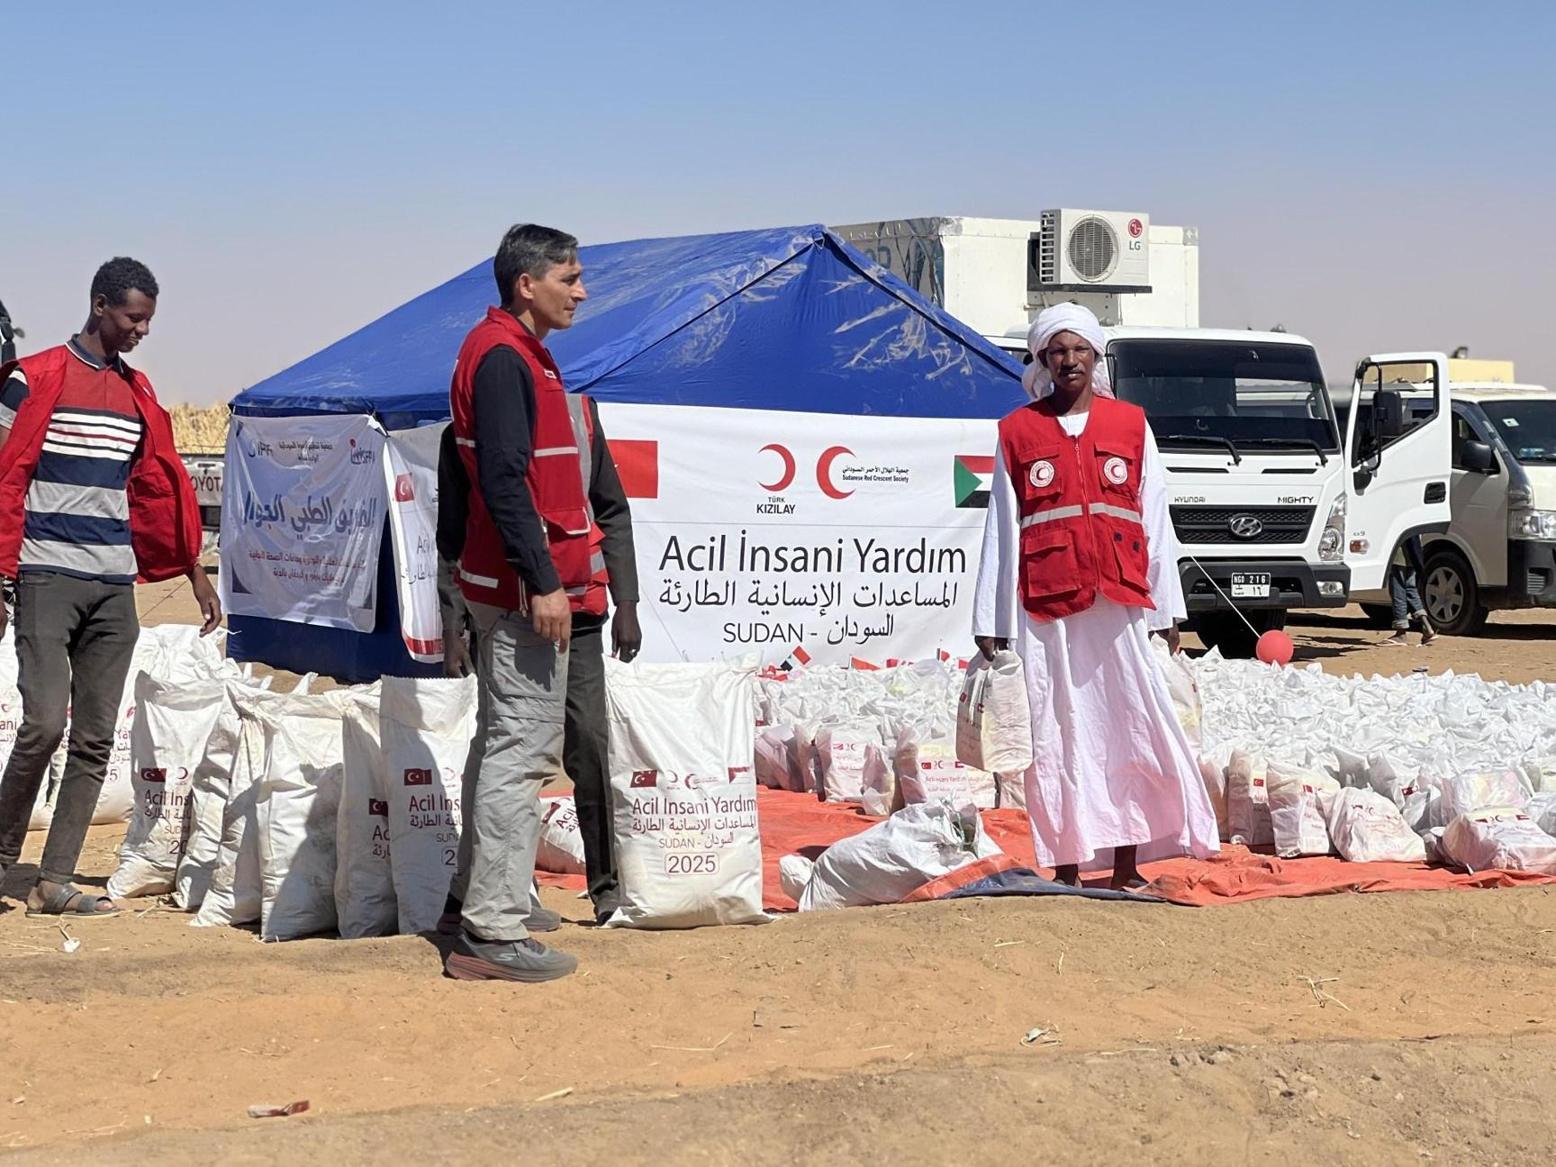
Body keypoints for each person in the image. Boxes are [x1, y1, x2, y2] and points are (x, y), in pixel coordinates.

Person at [442, 224, 640, 984]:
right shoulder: (500, 359)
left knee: (501, 744)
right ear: (527, 284)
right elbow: (501, 481)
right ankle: (491, 932)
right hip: (525, 593)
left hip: (509, 585)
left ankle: (480, 900)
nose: (582, 290)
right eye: (570, 276)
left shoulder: (517, 354)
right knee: (520, 755)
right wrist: (544, 581)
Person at [0, 258, 221, 916]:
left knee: (95, 737)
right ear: (100, 306)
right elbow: (3, 476)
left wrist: (192, 569)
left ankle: (54, 880)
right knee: (41, 722)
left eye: (148, 319)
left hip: (111, 590)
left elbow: (163, 487)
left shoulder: (138, 393)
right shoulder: (30, 379)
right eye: (133, 317)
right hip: (45, 579)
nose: (142, 330)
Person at [972, 303, 1218, 889]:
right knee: (1059, 736)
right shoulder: (1018, 431)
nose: (1069, 359)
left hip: (1120, 604)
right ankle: (1066, 866)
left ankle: (1128, 862)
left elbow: (1154, 519)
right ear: (1042, 361)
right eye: (1057, 350)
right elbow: (1001, 530)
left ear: (1095, 355)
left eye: (1079, 348)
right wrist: (990, 617)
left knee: (1128, 725)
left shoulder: (1130, 424)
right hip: (1046, 611)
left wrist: (1166, 610)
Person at [1381, 535, 1435, 647]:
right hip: (1413, 554)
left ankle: (1401, 633)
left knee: (1398, 590)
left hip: (1398, 553)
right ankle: (1427, 628)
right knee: (1411, 589)